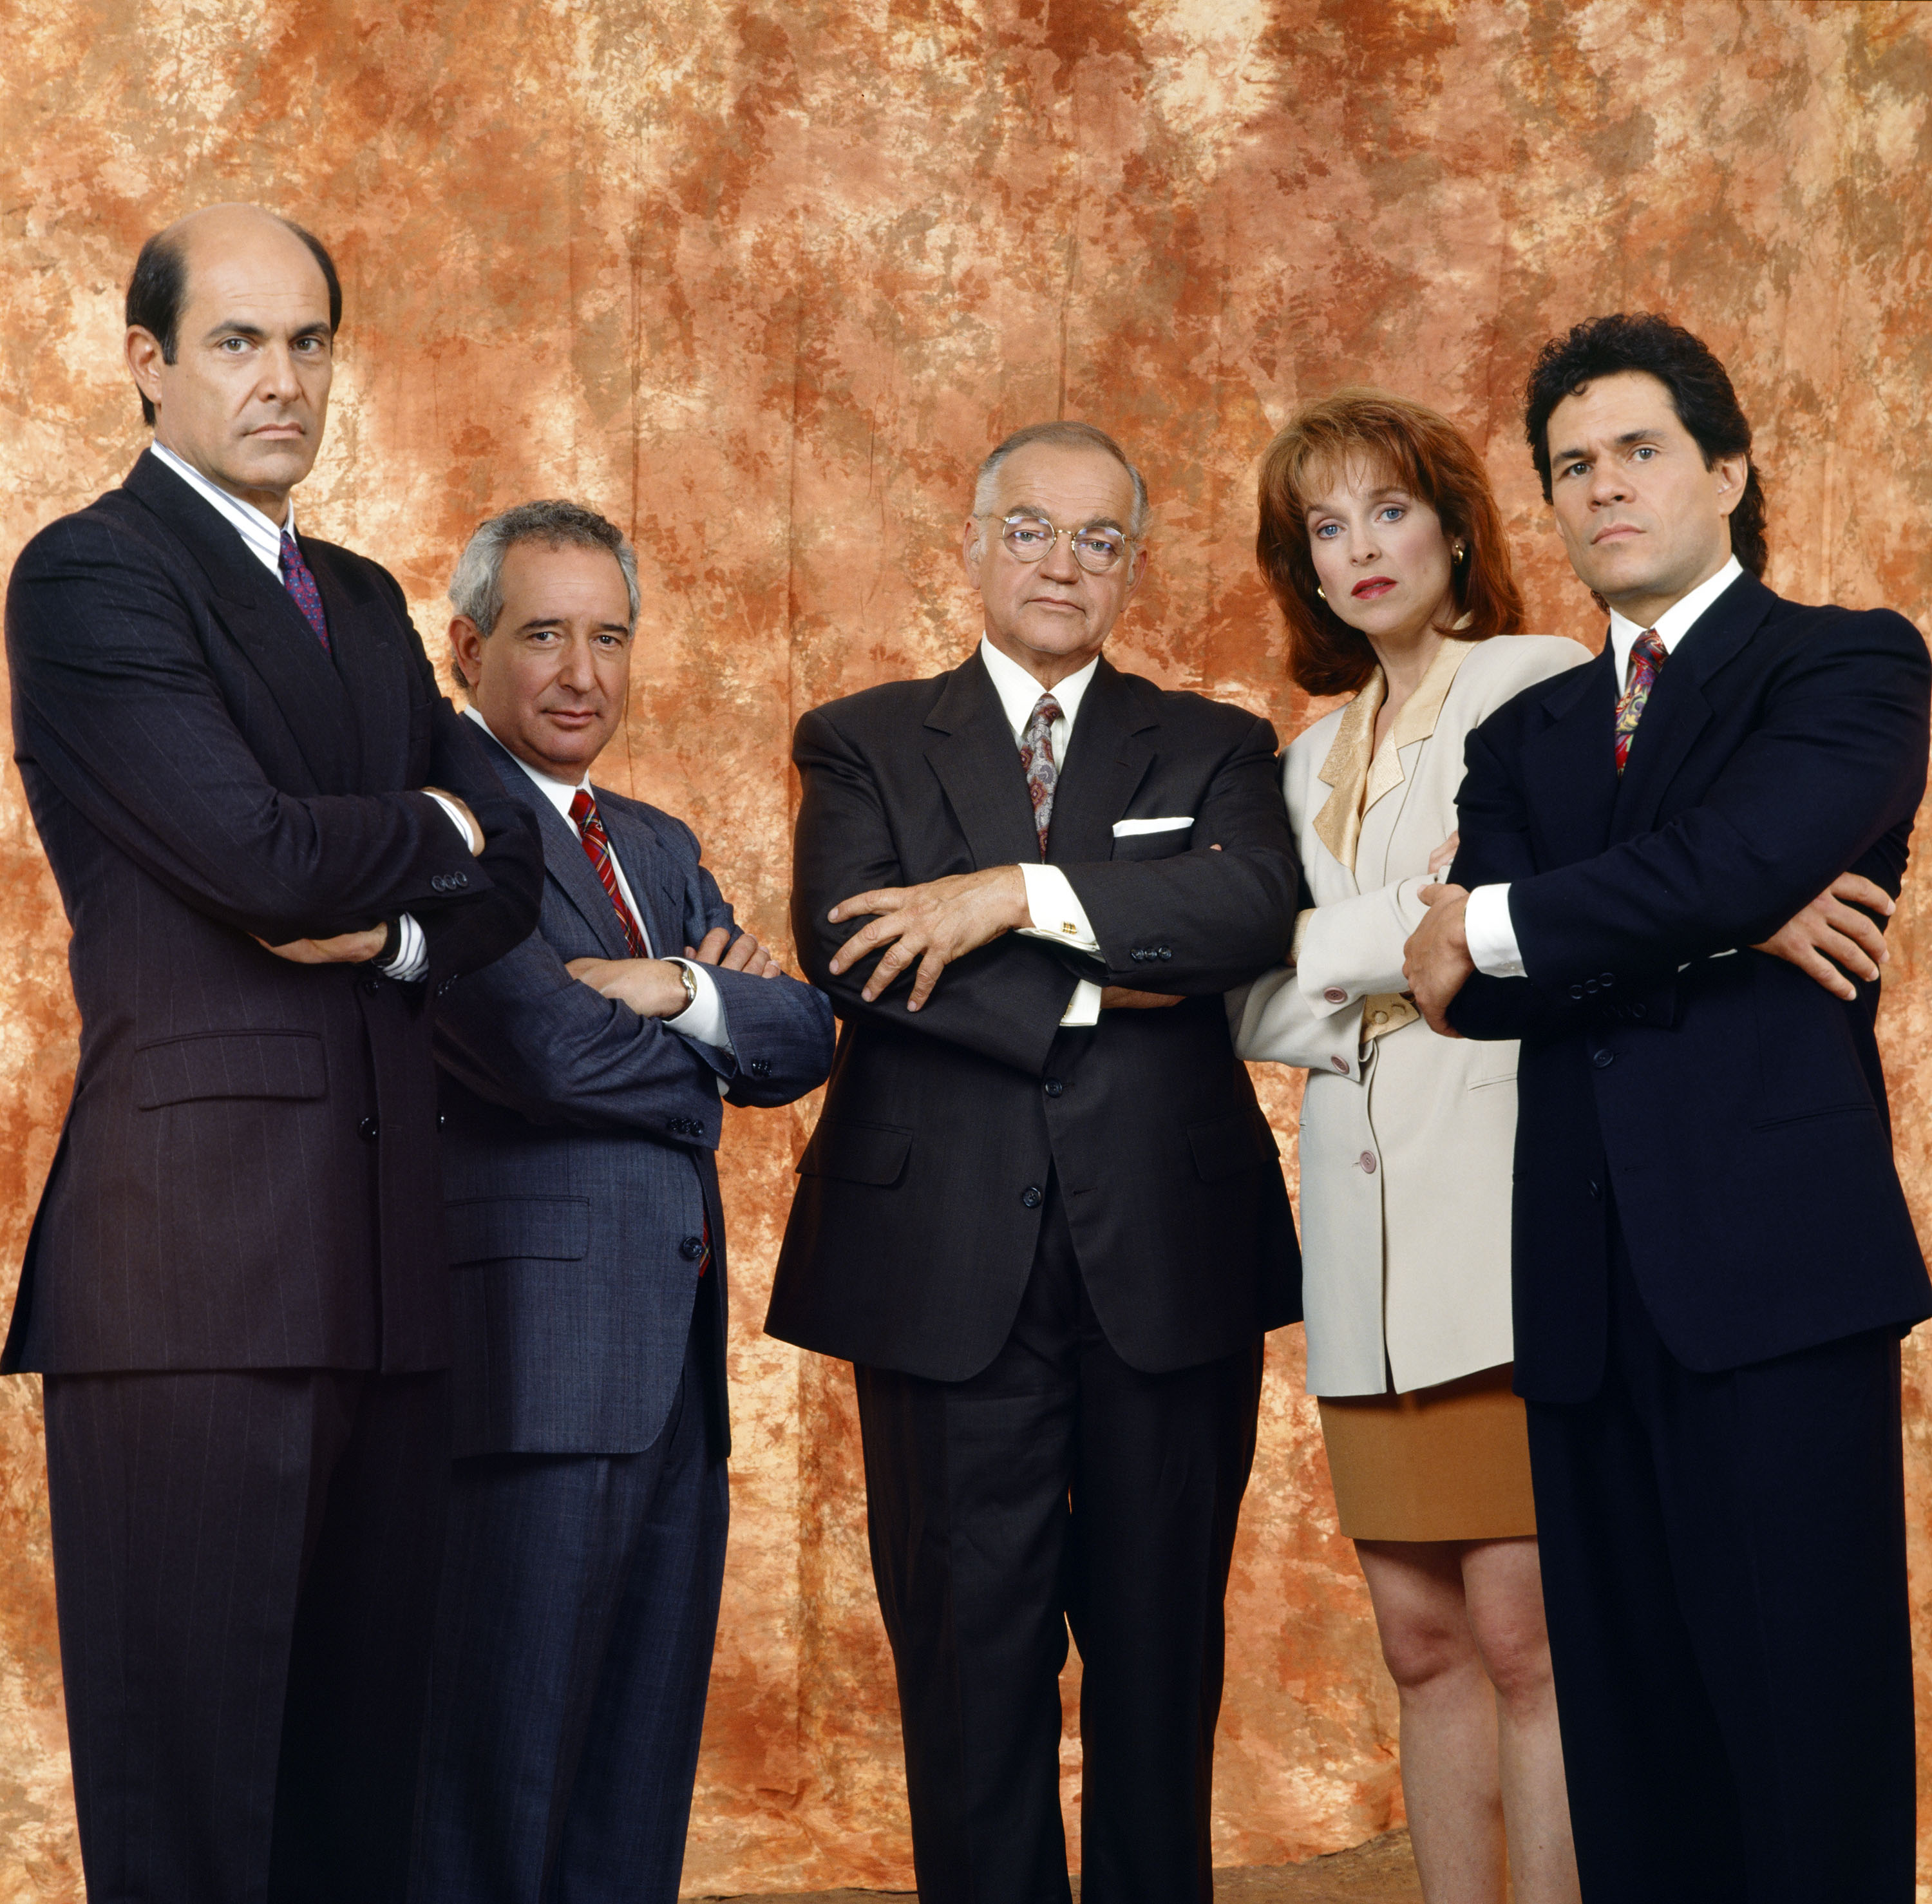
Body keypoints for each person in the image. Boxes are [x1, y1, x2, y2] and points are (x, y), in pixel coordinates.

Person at [1, 204, 544, 1903]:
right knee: (197, 1821)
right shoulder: (90, 574)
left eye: (309, 340)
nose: (284, 377)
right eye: (239, 341)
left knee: (352, 1816)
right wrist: (428, 822)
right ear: (148, 363)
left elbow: (512, 860)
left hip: (386, 1273)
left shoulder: (371, 605)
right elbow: (254, 859)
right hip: (192, 1276)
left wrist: (398, 909)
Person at [1403, 312, 1931, 1901]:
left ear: (1727, 470)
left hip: (1774, 1272)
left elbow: (1489, 937)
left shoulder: (1846, 656)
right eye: (1571, 466)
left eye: (1638, 451)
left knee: (1805, 1714)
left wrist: (1527, 915)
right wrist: (1720, 912)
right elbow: (1471, 995)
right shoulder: (1525, 730)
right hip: (1579, 1281)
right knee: (1628, 1731)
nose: (1601, 487)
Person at [766, 420, 1302, 1904]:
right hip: (941, 1264)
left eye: (1097, 539)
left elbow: (1249, 912)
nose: (1061, 563)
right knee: (966, 1654)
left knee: (1158, 1652)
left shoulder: (1217, 743)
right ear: (972, 542)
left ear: (1134, 563)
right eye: (1029, 530)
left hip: (1170, 1261)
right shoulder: (862, 735)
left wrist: (1008, 895)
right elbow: (861, 950)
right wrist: (1119, 963)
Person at [412, 499, 835, 1904]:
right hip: (532, 1355)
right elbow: (535, 1047)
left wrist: (685, 990)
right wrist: (717, 1035)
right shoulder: (442, 821)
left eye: (609, 634)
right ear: (469, 645)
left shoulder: (651, 841)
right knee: (501, 1766)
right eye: (543, 634)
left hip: (672, 1374)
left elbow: (805, 1034)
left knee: (631, 1772)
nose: (581, 671)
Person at [1229, 390, 1587, 1903]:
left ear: (1452, 525)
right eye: (1327, 524)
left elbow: (1521, 926)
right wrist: (1387, 965)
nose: (1361, 546)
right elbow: (1247, 992)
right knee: (1419, 1642)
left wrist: (1340, 955)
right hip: (1361, 1243)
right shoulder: (1306, 755)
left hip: (1502, 1218)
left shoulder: (1538, 681)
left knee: (1523, 1642)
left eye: (1388, 508)